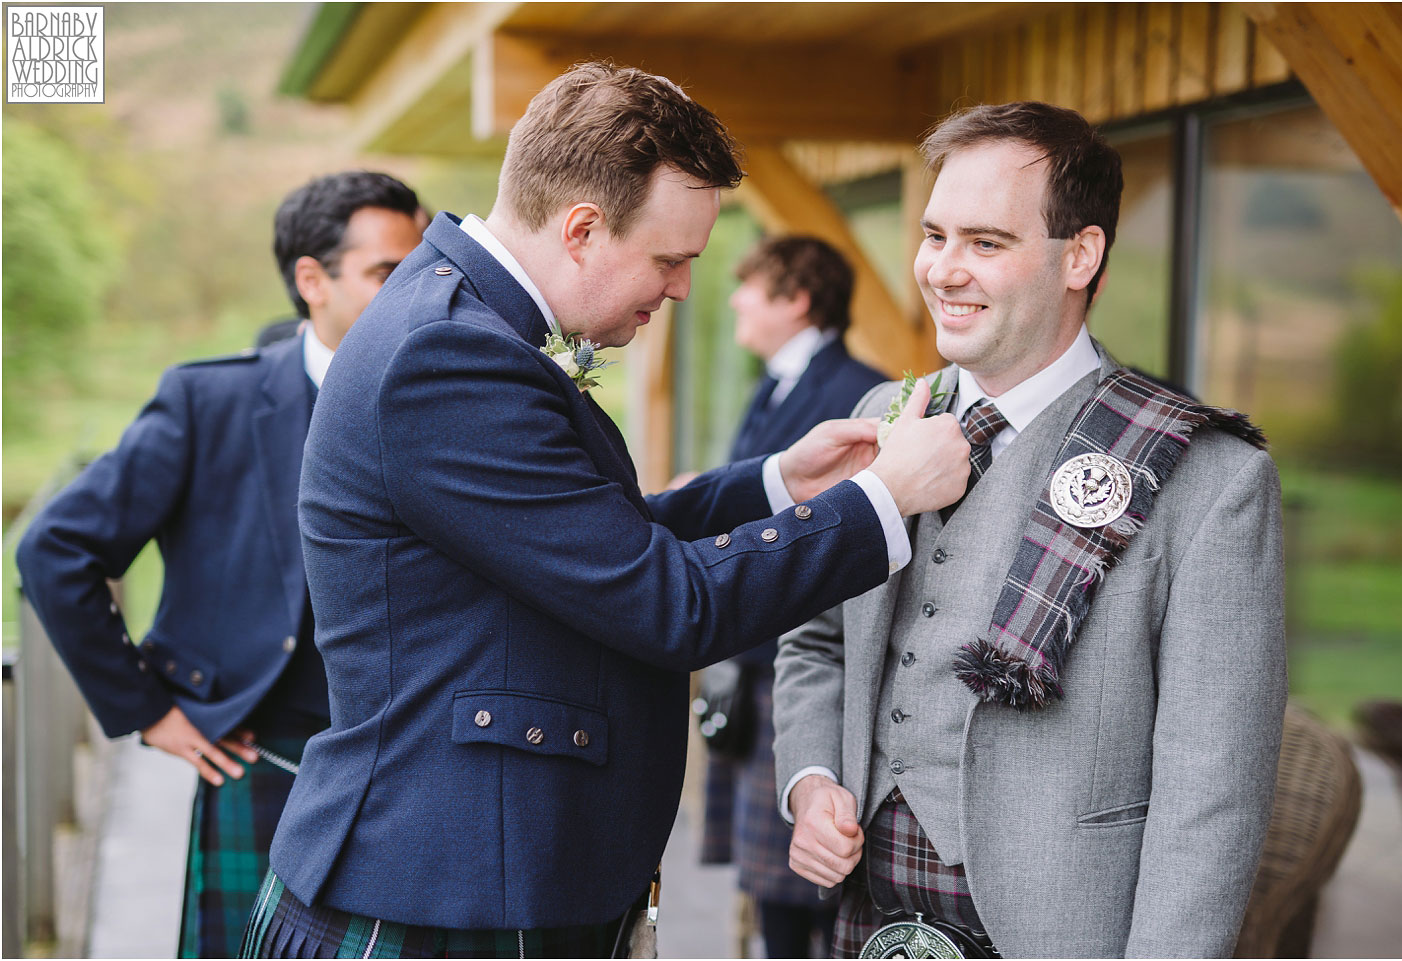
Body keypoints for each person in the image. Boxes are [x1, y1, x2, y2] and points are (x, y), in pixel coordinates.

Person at [244, 62, 974, 958]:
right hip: (444, 889)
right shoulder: (447, 356)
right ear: (583, 228)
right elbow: (667, 603)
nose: (678, 291)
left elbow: (582, 535)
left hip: (481, 866)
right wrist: (882, 501)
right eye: (670, 260)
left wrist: (780, 482)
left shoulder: (463, 322)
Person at [773, 101, 1287, 958]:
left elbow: (1214, 790)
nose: (942, 269)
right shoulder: (880, 420)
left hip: (1065, 928)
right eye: (935, 235)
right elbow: (814, 641)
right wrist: (812, 776)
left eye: (985, 243)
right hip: (865, 913)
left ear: (1080, 255)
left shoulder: (1211, 480)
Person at [15, 170, 425, 958]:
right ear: (313, 280)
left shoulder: (455, 399)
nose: (414, 290)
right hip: (266, 757)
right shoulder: (210, 404)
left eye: (421, 268)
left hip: (415, 770)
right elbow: (54, 548)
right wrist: (148, 710)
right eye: (386, 271)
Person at [699, 236, 885, 958]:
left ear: (796, 298)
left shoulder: (852, 392)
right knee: (774, 883)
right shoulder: (776, 380)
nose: (736, 299)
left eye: (752, 286)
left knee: (807, 886)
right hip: (760, 647)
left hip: (805, 653)